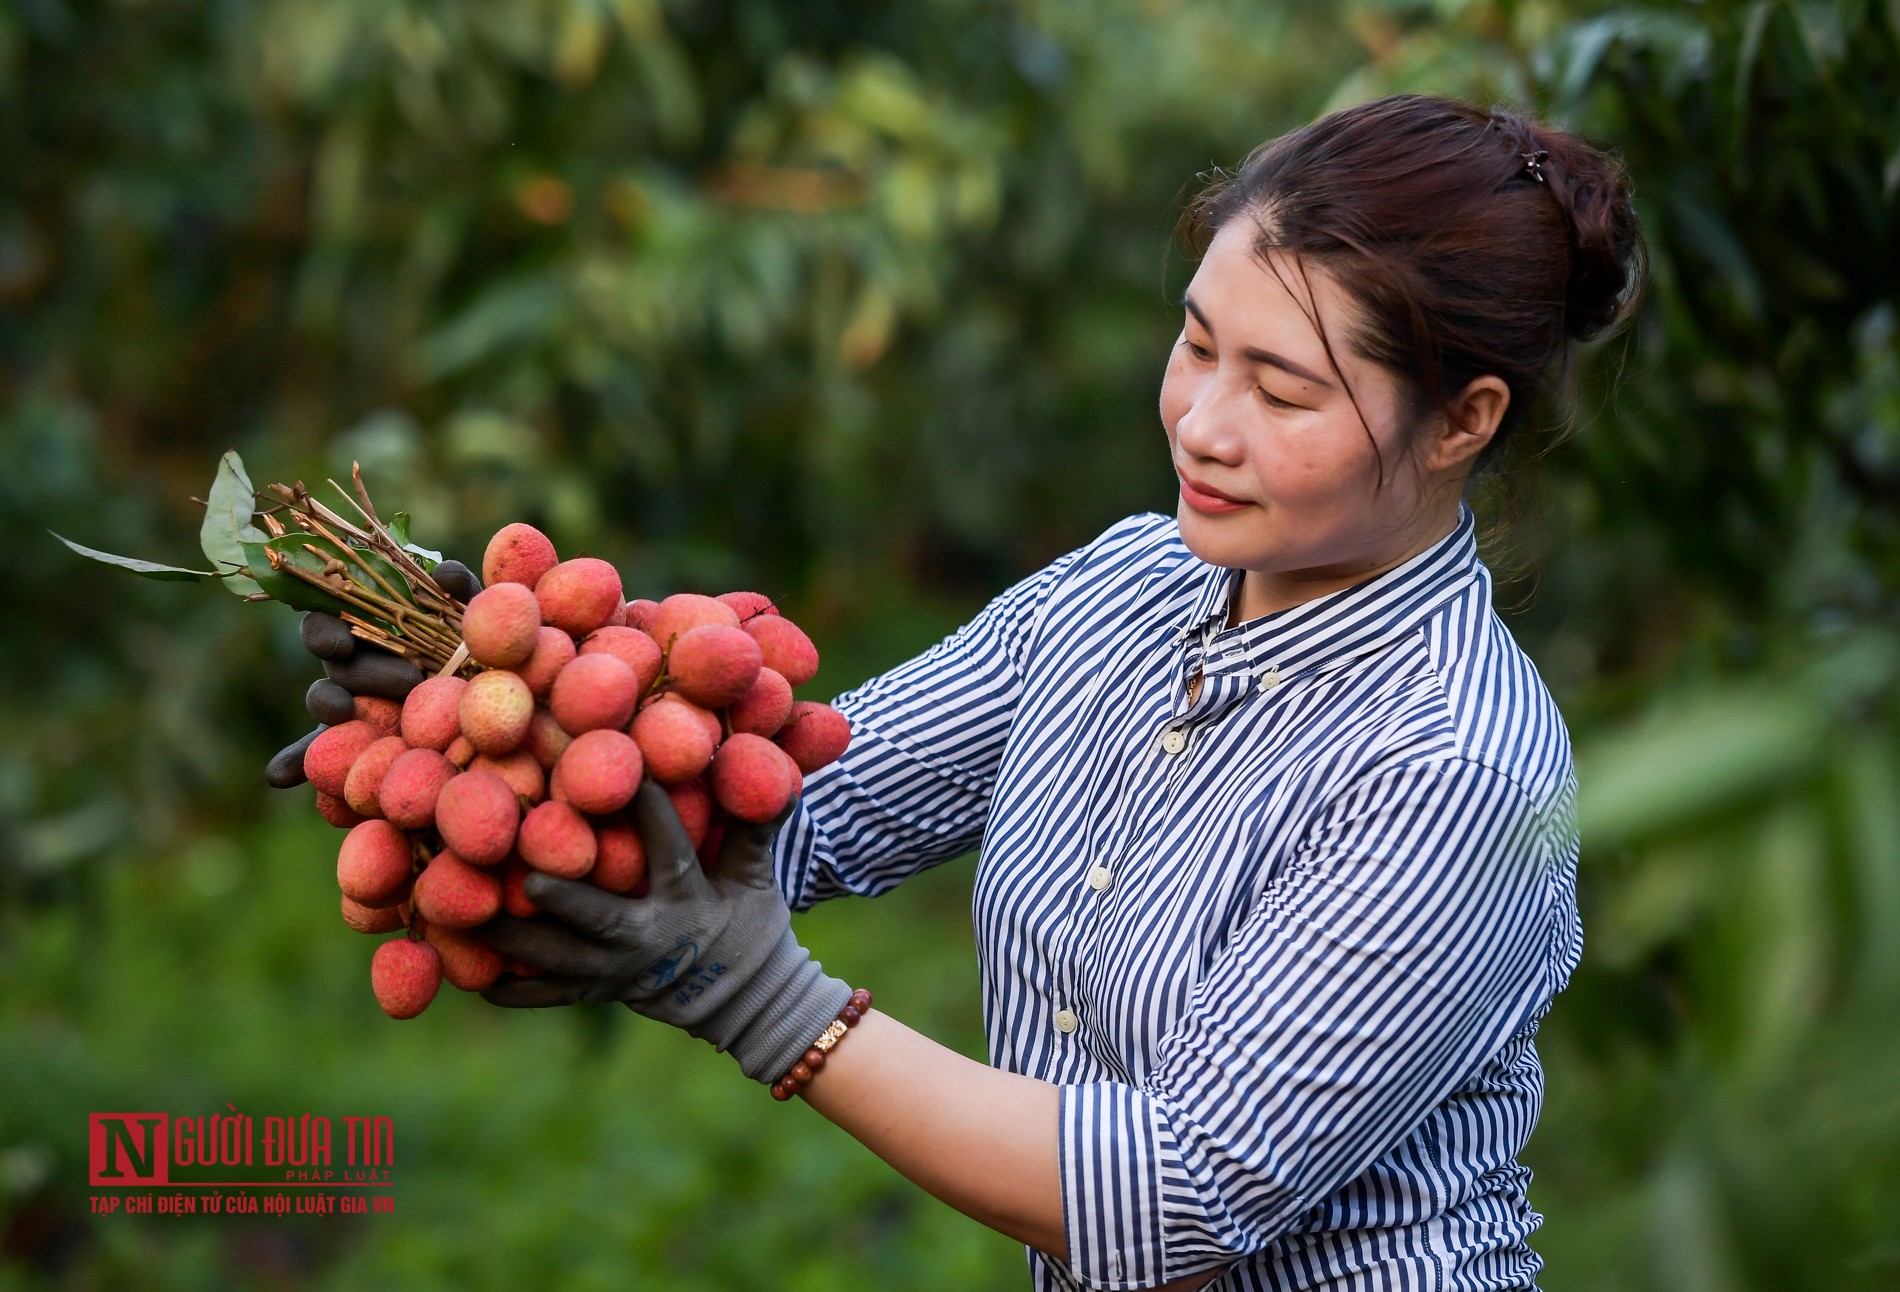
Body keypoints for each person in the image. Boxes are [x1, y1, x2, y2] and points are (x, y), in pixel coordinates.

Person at [280, 92, 1645, 1290]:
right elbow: (801, 810)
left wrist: (770, 1007)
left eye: (1283, 393)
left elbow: (1179, 1197)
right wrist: (489, 681)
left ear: (1464, 420)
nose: (1201, 422)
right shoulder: (1122, 588)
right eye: (1196, 344)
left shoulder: (1453, 767)